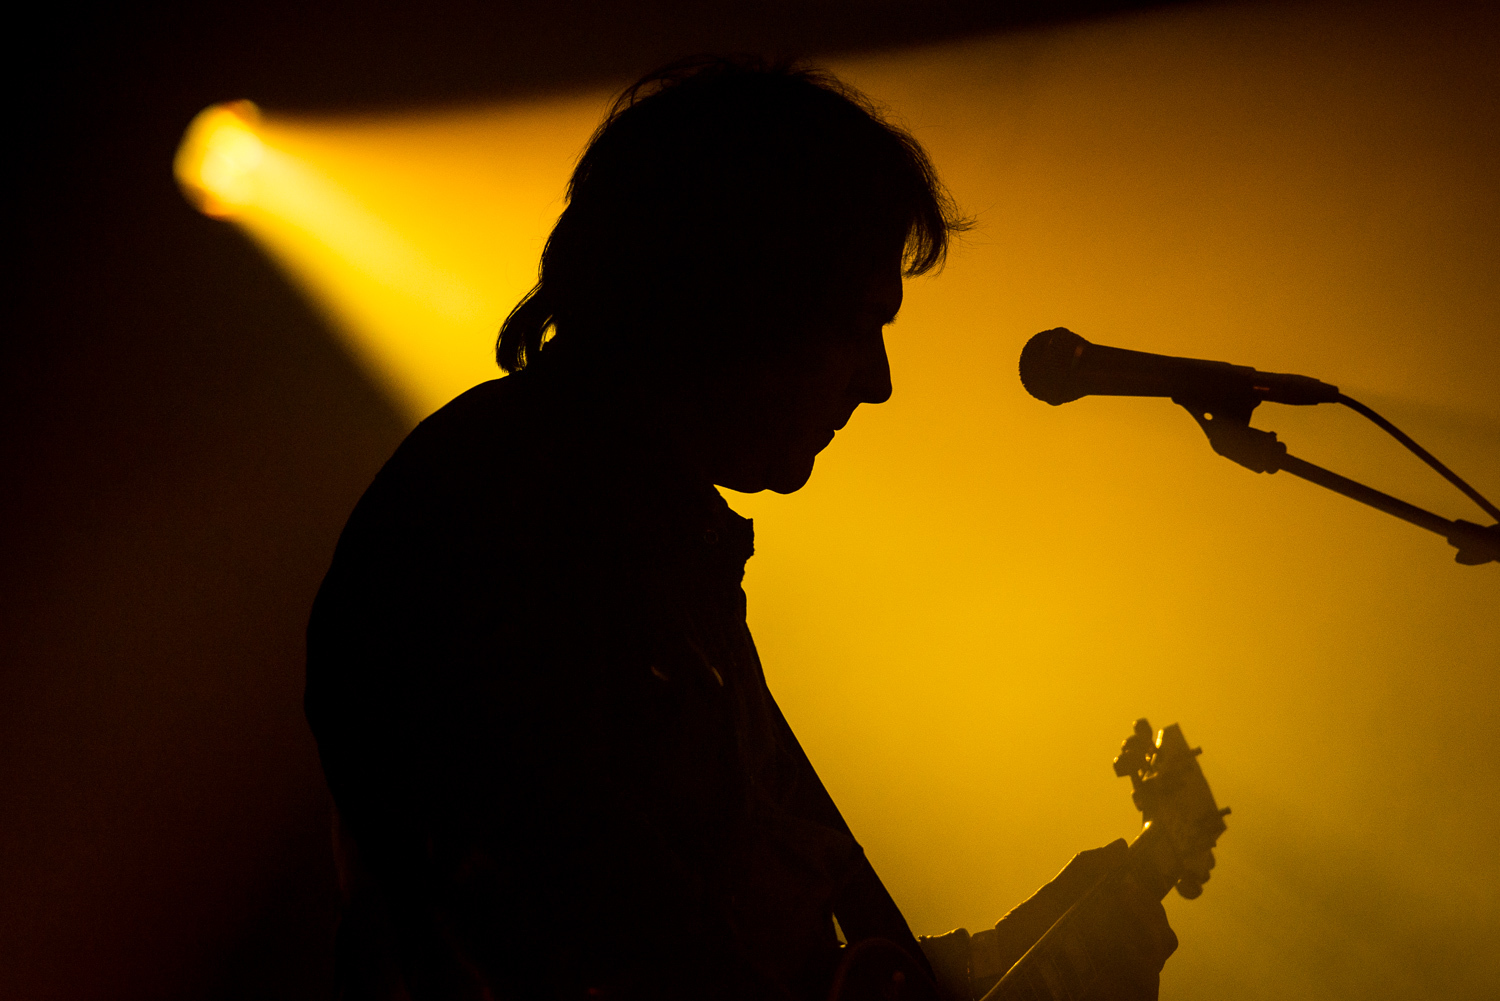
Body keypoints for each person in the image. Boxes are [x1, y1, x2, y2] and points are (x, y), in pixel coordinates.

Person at [305, 57, 1177, 1001]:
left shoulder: (656, 538)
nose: (878, 380)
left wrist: (994, 959)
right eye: (856, 323)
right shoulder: (500, 529)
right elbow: (586, 944)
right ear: (739, 292)